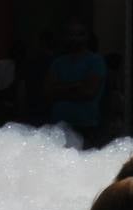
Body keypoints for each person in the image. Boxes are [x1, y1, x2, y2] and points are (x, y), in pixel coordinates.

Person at [45, 19, 107, 147]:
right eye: (71, 34)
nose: (75, 38)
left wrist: (60, 90)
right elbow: (48, 92)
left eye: (80, 34)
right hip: (59, 125)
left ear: (87, 37)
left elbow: (89, 93)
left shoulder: (95, 61)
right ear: (65, 37)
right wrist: (77, 85)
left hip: (86, 125)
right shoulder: (58, 62)